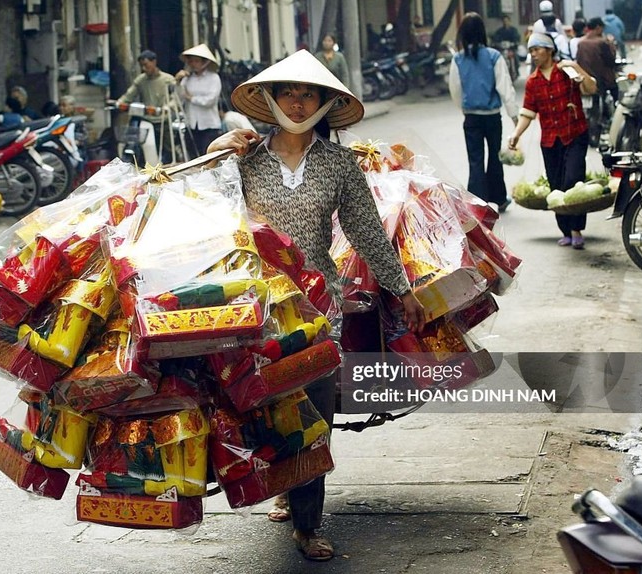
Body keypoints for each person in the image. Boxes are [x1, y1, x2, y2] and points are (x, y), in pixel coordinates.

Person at [206, 50, 425, 562]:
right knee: (264, 408)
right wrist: (217, 151)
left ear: (325, 104)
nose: (298, 103)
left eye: (309, 94)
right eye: (288, 93)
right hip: (254, 309)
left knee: (314, 413)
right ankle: (284, 484)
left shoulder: (338, 164)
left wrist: (402, 288)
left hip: (317, 307)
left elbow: (367, 232)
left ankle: (308, 524)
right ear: (269, 100)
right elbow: (201, 208)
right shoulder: (244, 161)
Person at [508, 33, 597, 249]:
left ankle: (576, 229)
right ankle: (566, 231)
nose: (534, 54)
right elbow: (528, 112)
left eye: (537, 49)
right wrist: (516, 134)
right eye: (531, 51)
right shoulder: (533, 81)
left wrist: (577, 68)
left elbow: (590, 88)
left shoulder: (566, 71)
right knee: (556, 187)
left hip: (575, 134)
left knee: (573, 181)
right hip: (550, 140)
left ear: (549, 50)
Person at [449, 12, 519, 212]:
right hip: (492, 117)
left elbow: (455, 90)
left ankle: (477, 202)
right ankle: (499, 198)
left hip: (471, 117)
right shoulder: (494, 56)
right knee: (495, 156)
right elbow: (505, 87)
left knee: (475, 159)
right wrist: (514, 115)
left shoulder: (458, 60)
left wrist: (464, 108)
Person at [113, 50, 176, 164]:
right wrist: (120, 102)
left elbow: (174, 99)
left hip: (163, 119)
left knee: (168, 149)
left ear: (154, 62)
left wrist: (167, 107)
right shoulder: (141, 80)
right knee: (139, 144)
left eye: (146, 65)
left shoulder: (168, 80)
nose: (144, 68)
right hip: (147, 119)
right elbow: (129, 95)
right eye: (142, 65)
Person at [174, 44, 222, 156]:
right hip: (191, 123)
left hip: (209, 124)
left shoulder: (213, 78)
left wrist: (192, 98)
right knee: (193, 157)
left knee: (209, 156)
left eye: (197, 61)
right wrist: (177, 82)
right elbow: (180, 98)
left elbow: (210, 100)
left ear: (204, 62)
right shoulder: (187, 78)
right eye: (191, 61)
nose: (193, 64)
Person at [576, 17, 618, 103]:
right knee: (615, 94)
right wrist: (611, 44)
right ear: (598, 27)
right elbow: (610, 61)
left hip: (584, 78)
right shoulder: (602, 42)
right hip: (602, 80)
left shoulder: (581, 42)